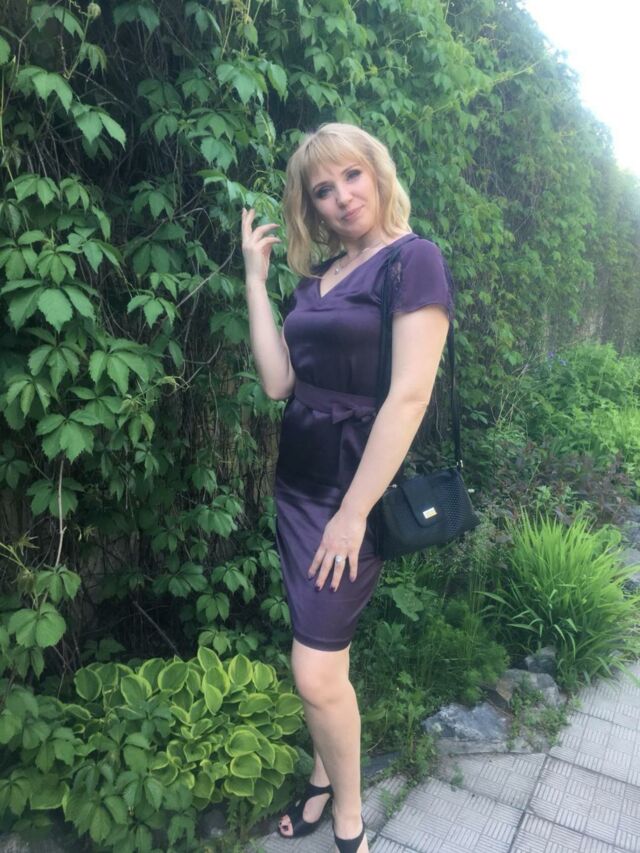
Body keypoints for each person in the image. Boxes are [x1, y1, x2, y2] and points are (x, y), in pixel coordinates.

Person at [241, 122, 453, 853]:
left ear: (378, 172)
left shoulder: (414, 261)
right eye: (323, 190)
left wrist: (353, 514)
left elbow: (409, 397)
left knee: (313, 673)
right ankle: (322, 778)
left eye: (352, 176)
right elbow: (279, 382)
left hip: (347, 497)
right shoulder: (319, 279)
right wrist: (255, 282)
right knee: (325, 659)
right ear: (313, 207)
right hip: (296, 490)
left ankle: (350, 823)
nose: (341, 197)